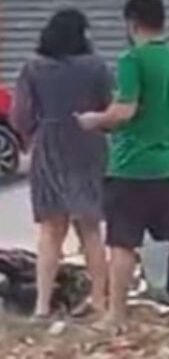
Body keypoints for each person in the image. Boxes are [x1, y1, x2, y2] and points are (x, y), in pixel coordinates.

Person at [75, 0, 169, 327]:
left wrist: (94, 120)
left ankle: (116, 315)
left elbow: (125, 111)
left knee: (122, 241)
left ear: (132, 23)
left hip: (132, 166)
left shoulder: (132, 60)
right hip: (168, 163)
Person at [11, 8, 111, 320]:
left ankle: (42, 306)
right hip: (88, 143)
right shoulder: (96, 66)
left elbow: (20, 114)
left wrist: (31, 135)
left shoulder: (33, 68)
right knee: (90, 229)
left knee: (51, 229)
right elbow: (107, 106)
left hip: (50, 146)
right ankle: (99, 300)